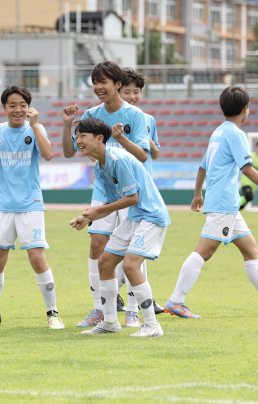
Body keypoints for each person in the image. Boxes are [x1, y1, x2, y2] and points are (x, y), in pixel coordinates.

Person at [163, 86, 258, 319]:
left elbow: (203, 166)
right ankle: (176, 301)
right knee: (204, 252)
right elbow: (247, 168)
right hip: (224, 203)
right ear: (246, 109)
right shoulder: (236, 134)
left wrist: (197, 194)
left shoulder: (218, 132)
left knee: (251, 250)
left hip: (228, 204)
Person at [61, 61, 151, 328]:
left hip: (129, 187)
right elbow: (70, 152)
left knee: (132, 249)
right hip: (103, 187)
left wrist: (120, 139)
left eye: (104, 82)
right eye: (95, 82)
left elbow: (144, 156)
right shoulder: (91, 113)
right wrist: (67, 126)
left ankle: (133, 309)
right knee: (96, 245)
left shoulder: (135, 115)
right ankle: (99, 309)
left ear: (118, 84)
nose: (99, 87)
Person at [0, 85, 64, 329]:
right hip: (4, 206)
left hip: (31, 205)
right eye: (12, 105)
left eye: (22, 105)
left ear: (29, 107)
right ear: (3, 108)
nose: (18, 110)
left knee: (36, 256)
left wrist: (35, 126)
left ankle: (53, 313)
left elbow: (49, 154)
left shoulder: (36, 128)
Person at [69, 117, 170, 337]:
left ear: (99, 138)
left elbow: (132, 197)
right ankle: (110, 323)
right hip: (135, 217)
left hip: (151, 216)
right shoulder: (100, 165)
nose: (78, 141)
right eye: (76, 137)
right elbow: (112, 201)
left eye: (82, 136)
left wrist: (96, 212)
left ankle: (152, 326)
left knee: (130, 266)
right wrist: (88, 217)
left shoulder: (118, 158)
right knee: (105, 263)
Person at [118, 67, 165, 325]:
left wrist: (149, 141)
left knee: (136, 250)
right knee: (116, 249)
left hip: (143, 188)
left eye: (137, 92)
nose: (133, 96)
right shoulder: (114, 116)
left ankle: (135, 306)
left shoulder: (148, 119)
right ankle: (115, 300)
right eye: (128, 92)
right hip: (120, 189)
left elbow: (154, 154)